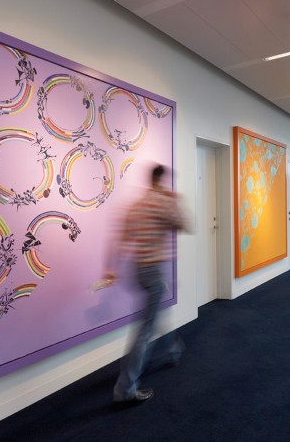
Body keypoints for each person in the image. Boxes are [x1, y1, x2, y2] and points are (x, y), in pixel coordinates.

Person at [108, 164, 186, 406]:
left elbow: (121, 239)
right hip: (153, 271)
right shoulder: (162, 202)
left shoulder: (136, 205)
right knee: (145, 330)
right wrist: (175, 201)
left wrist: (111, 268)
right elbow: (184, 224)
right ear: (161, 180)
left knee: (157, 311)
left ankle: (172, 349)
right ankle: (125, 389)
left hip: (138, 270)